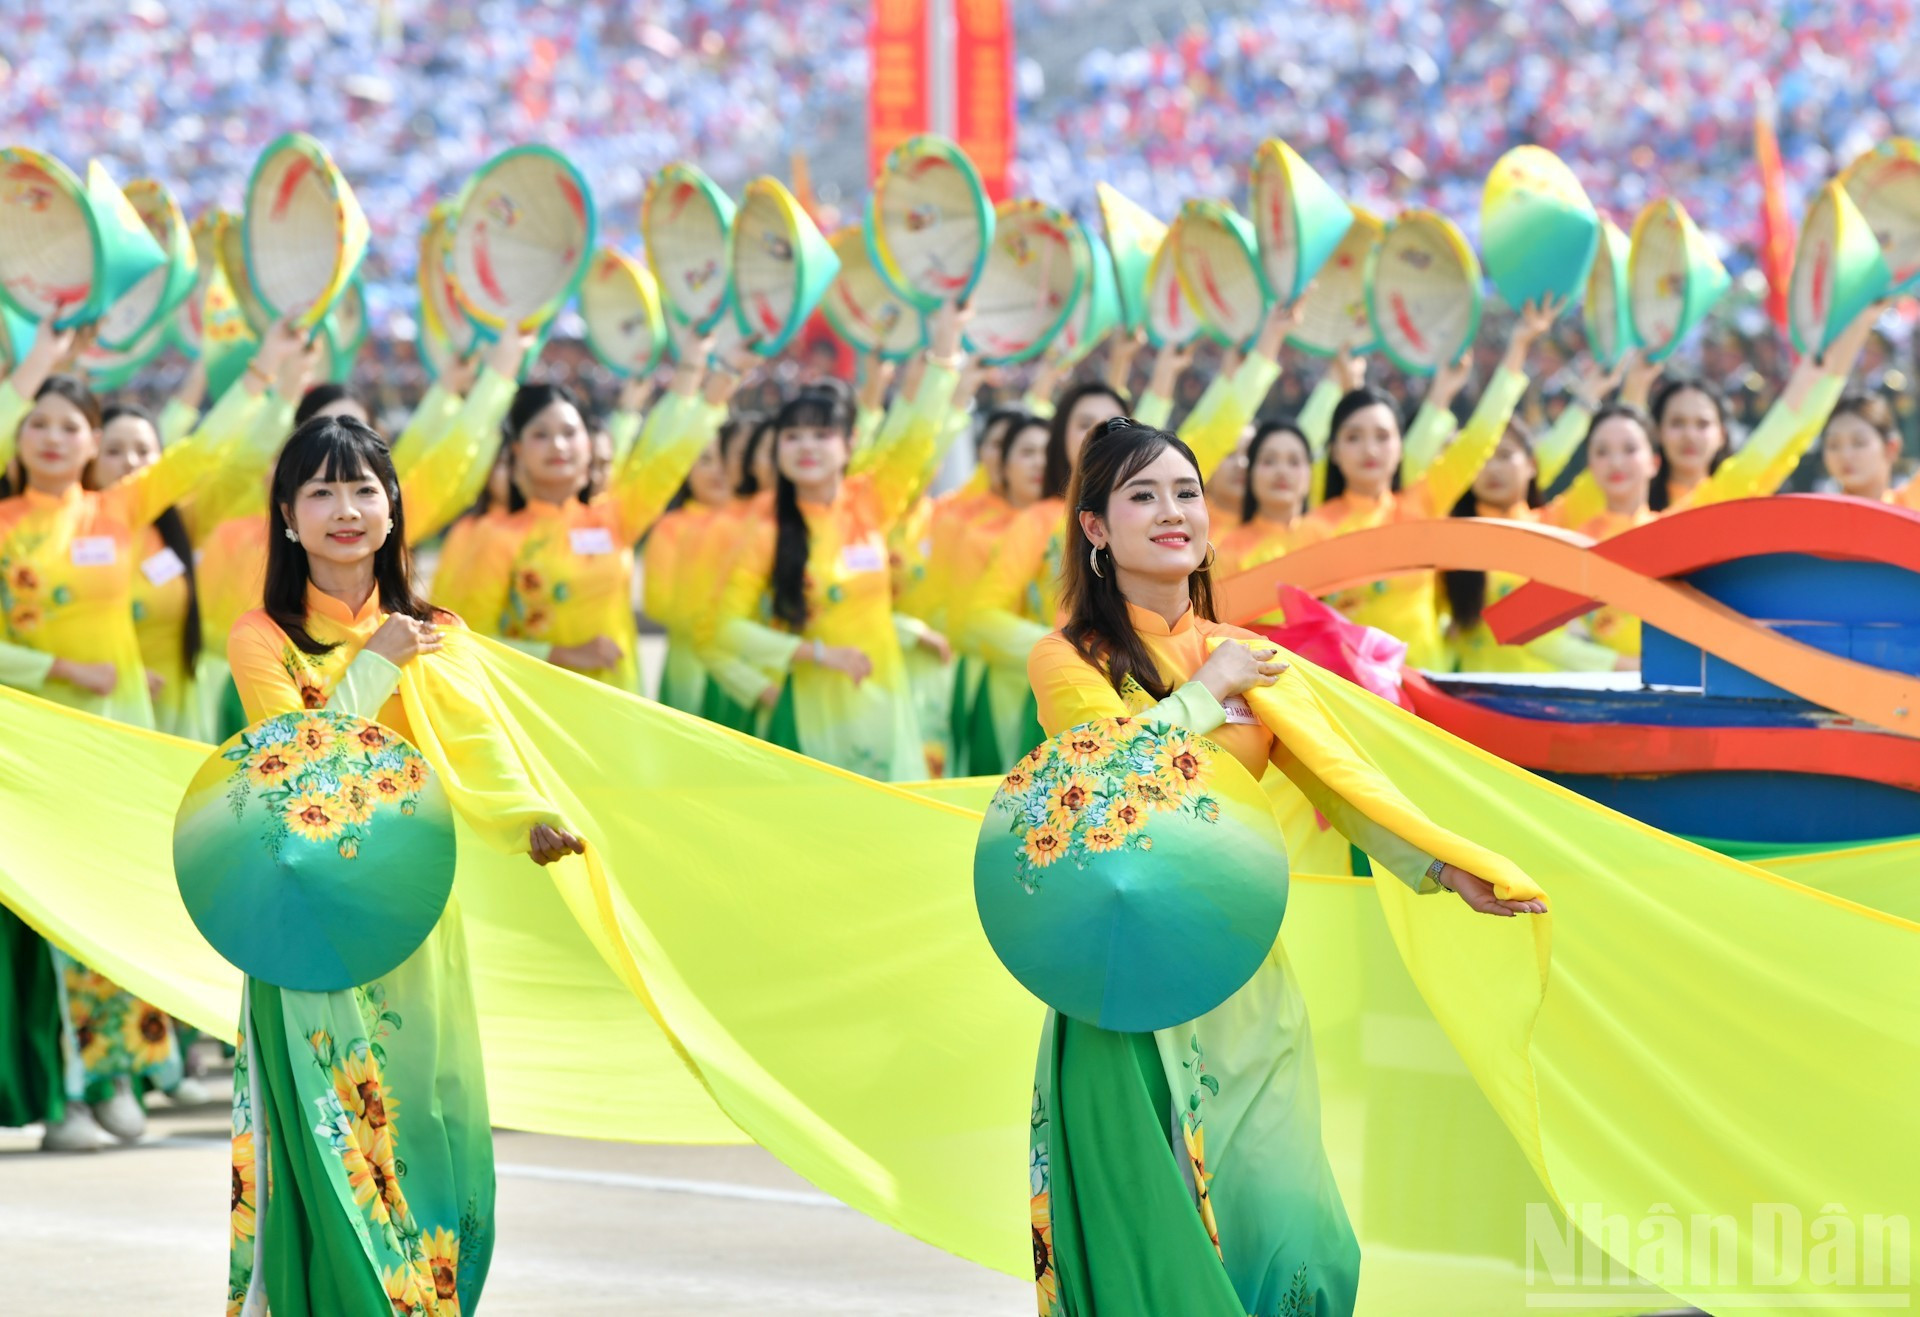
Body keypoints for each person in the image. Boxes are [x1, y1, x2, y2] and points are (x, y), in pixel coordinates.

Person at [1023, 419, 1543, 1316]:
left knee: (1295, 1225)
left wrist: (1444, 866)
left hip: (1240, 964)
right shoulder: (1068, 657)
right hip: (1126, 978)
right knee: (1156, 1229)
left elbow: (1343, 783)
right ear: (1096, 528)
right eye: (1142, 496)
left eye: (1185, 491)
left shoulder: (1252, 658)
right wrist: (1203, 690)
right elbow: (1104, 777)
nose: (1173, 511)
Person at [224, 413, 585, 1315]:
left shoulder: (438, 631)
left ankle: (431, 1299)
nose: (346, 509)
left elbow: (479, 749)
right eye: (322, 491)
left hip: (416, 908)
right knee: (338, 1128)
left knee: (427, 1114)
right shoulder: (263, 637)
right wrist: (376, 663)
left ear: (392, 511)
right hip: (309, 922)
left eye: (363, 489)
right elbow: (301, 764)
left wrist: (528, 817)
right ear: (287, 515)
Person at [0, 328, 297, 1150]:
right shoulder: (2, 519)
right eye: (37, 423)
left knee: (116, 906)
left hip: (116, 746)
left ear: (96, 443)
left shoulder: (119, 509)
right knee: (52, 922)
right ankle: (60, 1094)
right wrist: (51, 661)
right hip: (31, 748)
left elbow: (203, 453)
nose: (54, 438)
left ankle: (119, 1073)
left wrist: (264, 371)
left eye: (71, 425)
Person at [709, 304, 966, 780]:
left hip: (885, 705)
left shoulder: (869, 502)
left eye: (821, 434)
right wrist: (818, 655)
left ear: (848, 445)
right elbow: (725, 629)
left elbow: (916, 438)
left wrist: (944, 355)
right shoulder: (766, 529)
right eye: (793, 435)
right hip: (812, 711)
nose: (806, 446)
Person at [454, 346, 739, 690]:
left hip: (620, 699)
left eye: (570, 433)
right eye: (541, 435)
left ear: (589, 445)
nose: (558, 445)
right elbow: (471, 640)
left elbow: (669, 458)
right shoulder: (495, 535)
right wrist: (559, 653)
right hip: (536, 705)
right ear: (518, 450)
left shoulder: (616, 518)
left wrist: (724, 375)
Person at [1306, 300, 1556, 669]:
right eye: (1353, 438)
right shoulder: (1313, 528)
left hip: (1426, 695)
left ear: (1399, 448)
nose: (1369, 449)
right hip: (1351, 700)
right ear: (1335, 453)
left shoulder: (1419, 506)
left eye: (1382, 436)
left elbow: (1478, 440)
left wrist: (1517, 348)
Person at [1213, 419, 1327, 626]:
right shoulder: (1227, 549)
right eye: (1269, 461)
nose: (1281, 471)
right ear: (1250, 473)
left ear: (1310, 473)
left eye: (1294, 462)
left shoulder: (1325, 538)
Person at [1824, 395, 1906, 504]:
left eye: (1859, 443)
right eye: (1833, 445)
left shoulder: (1913, 507)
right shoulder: (1818, 516)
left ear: (1891, 448)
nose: (1845, 455)